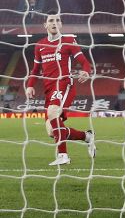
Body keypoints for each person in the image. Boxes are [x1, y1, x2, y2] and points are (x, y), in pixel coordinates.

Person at [25, 11, 96, 166]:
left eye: (57, 20)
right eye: (51, 20)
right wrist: (30, 85)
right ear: (45, 24)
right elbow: (36, 69)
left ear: (61, 24)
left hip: (64, 84)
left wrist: (86, 70)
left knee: (52, 113)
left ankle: (63, 155)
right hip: (49, 89)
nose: (54, 23)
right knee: (52, 131)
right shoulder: (39, 45)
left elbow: (84, 62)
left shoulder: (68, 41)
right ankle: (87, 137)